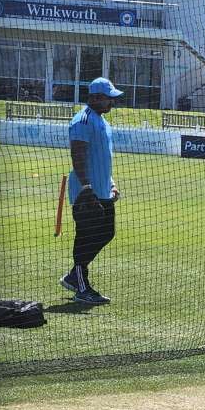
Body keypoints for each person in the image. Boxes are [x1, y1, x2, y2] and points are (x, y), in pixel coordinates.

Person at [59, 77, 124, 304]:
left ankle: (74, 277)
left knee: (106, 233)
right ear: (96, 98)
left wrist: (111, 183)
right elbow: (78, 155)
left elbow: (102, 159)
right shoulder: (83, 120)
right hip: (86, 193)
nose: (112, 103)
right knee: (86, 238)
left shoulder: (102, 121)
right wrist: (87, 188)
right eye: (109, 99)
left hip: (102, 192)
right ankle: (81, 285)